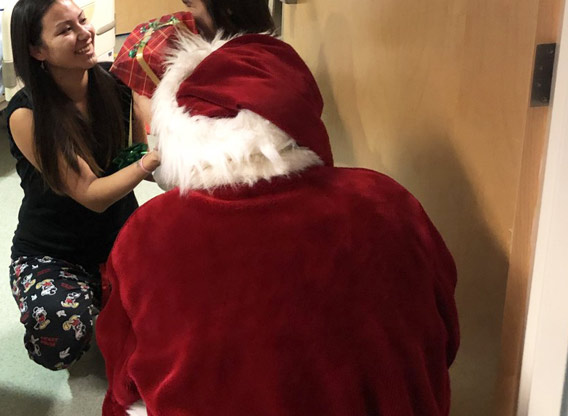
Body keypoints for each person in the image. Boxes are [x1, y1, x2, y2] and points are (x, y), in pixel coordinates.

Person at [97, 32, 459, 415]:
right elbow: (445, 339)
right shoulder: (389, 203)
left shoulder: (150, 234)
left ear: (180, 130)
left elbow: (123, 380)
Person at [5, 0, 159, 371]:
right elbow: (92, 193)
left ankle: (107, 299)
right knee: (58, 341)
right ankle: (88, 301)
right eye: (65, 30)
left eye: (82, 20)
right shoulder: (27, 115)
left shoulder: (117, 86)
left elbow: (141, 158)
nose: (84, 33)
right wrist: (153, 160)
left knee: (182, 309)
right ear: (37, 51)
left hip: (120, 240)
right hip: (53, 253)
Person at [111, 0, 275, 127]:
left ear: (225, 5)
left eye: (190, 4)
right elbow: (143, 108)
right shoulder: (166, 43)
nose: (188, 14)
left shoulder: (254, 62)